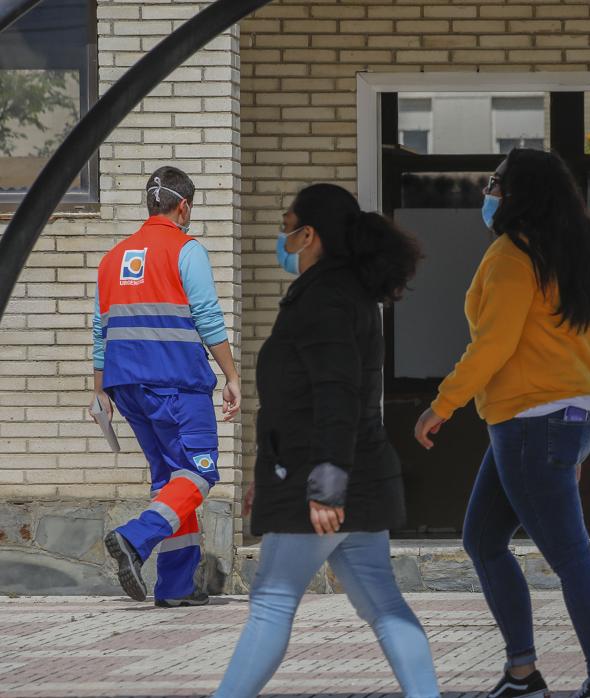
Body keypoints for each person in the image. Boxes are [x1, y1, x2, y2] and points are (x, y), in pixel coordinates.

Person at [414, 149, 590, 698]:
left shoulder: (514, 254)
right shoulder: (577, 247)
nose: (489, 192)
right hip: (567, 417)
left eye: (496, 183)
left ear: (519, 193)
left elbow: (494, 344)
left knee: (570, 556)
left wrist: (444, 403)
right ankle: (522, 673)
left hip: (535, 424)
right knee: (483, 540)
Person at [213, 183, 439, 698]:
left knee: (271, 600)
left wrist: (326, 485)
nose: (281, 236)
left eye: (287, 225)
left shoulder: (326, 299)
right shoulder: (342, 294)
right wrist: (261, 475)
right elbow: (296, 400)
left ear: (308, 234)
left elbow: (336, 395)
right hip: (347, 481)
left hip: (322, 483)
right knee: (383, 604)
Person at [95, 166, 241, 608]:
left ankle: (176, 588)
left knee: (170, 482)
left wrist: (99, 391)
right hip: (176, 385)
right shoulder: (186, 249)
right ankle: (134, 539)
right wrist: (232, 376)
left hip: (126, 388)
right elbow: (208, 318)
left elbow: (100, 331)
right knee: (199, 471)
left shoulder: (112, 258)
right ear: (183, 206)